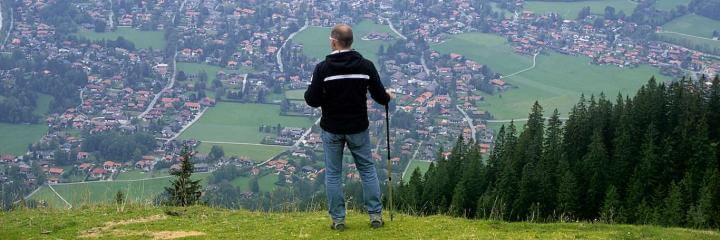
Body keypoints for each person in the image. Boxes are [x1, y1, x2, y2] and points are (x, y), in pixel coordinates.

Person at [304, 23, 395, 230]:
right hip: (358, 128)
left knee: (334, 174)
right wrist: (389, 95)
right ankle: (375, 216)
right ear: (351, 41)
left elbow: (312, 100)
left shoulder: (323, 69)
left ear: (334, 41)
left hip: (332, 128)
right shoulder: (366, 66)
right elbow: (380, 97)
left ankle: (338, 220)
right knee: (367, 170)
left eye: (330, 39)